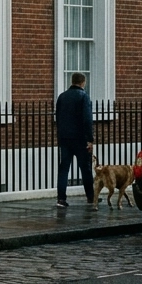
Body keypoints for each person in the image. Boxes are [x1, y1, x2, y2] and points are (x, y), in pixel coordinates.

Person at [55, 72, 94, 208]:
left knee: (64, 168)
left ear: (72, 81)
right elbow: (87, 120)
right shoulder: (83, 96)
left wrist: (60, 135)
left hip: (65, 138)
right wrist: (90, 140)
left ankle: (61, 199)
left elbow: (58, 118)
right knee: (85, 168)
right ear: (83, 82)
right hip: (80, 139)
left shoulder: (62, 97)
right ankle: (90, 197)